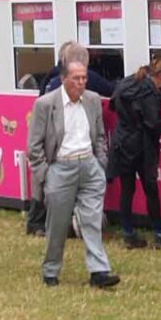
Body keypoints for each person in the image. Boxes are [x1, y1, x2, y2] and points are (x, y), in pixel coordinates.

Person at [26, 59, 119, 288]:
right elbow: (34, 146)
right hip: (60, 166)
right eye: (76, 78)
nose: (81, 83)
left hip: (88, 165)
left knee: (92, 220)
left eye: (84, 78)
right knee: (57, 224)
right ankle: (51, 270)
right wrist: (45, 175)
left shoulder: (92, 100)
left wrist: (100, 164)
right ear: (63, 79)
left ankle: (99, 271)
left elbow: (98, 136)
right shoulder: (46, 104)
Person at [25, 41, 110, 234]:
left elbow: (99, 137)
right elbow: (112, 89)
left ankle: (48, 222)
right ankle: (44, 222)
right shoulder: (51, 99)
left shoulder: (53, 79)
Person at [108, 57, 161, 249]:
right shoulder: (150, 93)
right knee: (151, 191)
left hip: (123, 143)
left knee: (127, 190)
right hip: (143, 147)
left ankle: (129, 234)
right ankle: (160, 233)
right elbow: (153, 124)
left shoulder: (128, 82)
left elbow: (113, 104)